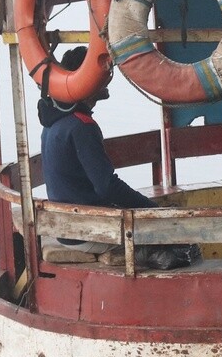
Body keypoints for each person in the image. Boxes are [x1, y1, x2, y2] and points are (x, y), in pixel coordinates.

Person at [39, 47, 197, 269]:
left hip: (67, 228)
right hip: (88, 231)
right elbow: (107, 186)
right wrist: (148, 207)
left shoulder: (53, 123)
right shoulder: (81, 127)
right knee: (174, 232)